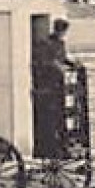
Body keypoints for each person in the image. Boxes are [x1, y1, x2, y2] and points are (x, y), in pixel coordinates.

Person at [33, 20, 77, 157]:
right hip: (47, 88)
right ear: (57, 30)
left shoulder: (60, 44)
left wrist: (73, 64)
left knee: (61, 117)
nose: (63, 34)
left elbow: (62, 59)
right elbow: (46, 62)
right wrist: (59, 68)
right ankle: (50, 149)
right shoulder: (45, 44)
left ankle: (63, 145)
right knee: (50, 120)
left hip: (58, 87)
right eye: (62, 31)